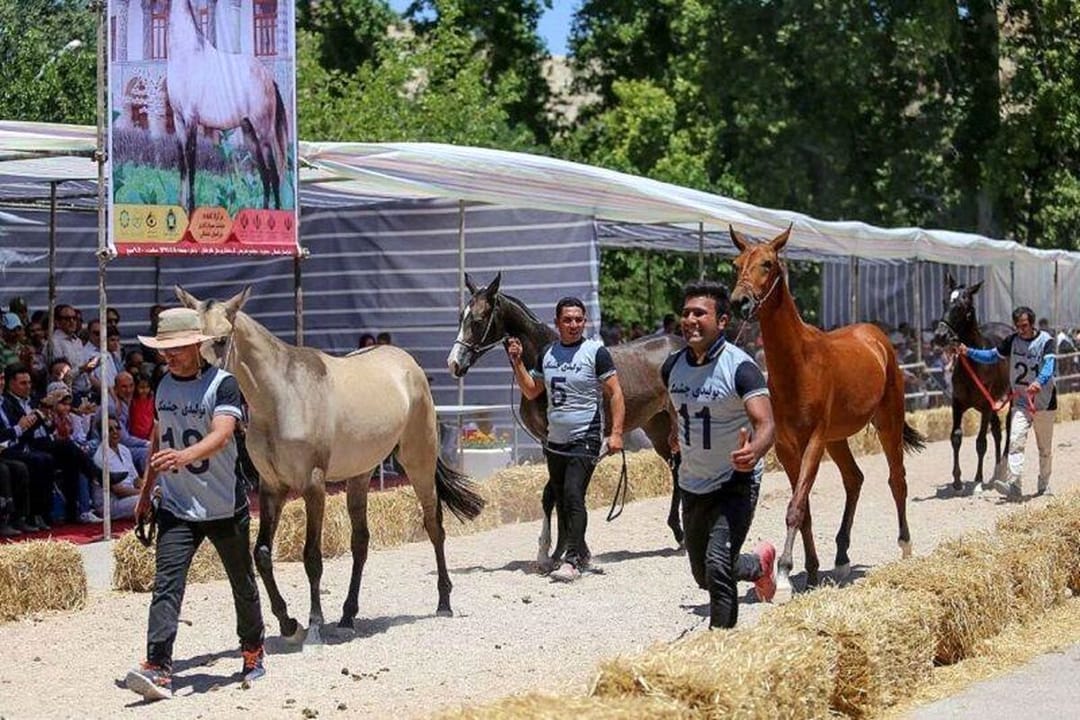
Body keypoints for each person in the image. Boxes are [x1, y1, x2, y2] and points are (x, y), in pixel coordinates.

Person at [124, 307, 265, 701]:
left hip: (223, 506)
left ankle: (253, 651)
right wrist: (145, 494)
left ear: (196, 345)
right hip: (176, 506)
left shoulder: (224, 385)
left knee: (242, 584)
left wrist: (181, 458)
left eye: (176, 348)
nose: (168, 355)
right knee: (166, 586)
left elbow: (222, 435)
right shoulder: (162, 383)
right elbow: (158, 436)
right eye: (163, 349)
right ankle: (158, 666)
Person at [661, 281, 777, 629]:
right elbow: (676, 404)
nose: (690, 320)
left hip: (734, 481)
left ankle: (720, 650)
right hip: (692, 482)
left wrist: (754, 450)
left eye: (700, 313)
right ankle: (758, 566)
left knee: (716, 565)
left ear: (723, 321)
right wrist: (675, 430)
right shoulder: (671, 367)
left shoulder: (740, 368)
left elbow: (767, 423)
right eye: (686, 313)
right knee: (704, 575)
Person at [506, 296, 625, 583]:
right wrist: (517, 362)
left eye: (578, 320)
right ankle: (582, 552)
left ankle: (572, 560)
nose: (574, 324)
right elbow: (532, 390)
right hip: (555, 440)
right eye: (568, 320)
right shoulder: (548, 352)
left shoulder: (596, 352)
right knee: (561, 497)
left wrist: (617, 433)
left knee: (573, 495)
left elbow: (616, 393)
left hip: (585, 436)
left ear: (585, 322)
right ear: (557, 322)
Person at [958, 306, 1056, 500]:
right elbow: (992, 356)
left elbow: (1049, 366)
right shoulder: (1012, 341)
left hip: (1044, 402)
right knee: (1015, 441)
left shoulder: (1047, 341)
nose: (1022, 330)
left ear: (1032, 323)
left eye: (1025, 326)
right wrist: (970, 352)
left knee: (1044, 448)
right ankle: (1014, 485)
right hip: (1020, 401)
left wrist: (1039, 382)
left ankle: (1044, 484)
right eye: (1018, 326)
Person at [93, 415, 141, 520]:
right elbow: (119, 491)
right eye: (110, 429)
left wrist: (150, 488)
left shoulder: (124, 450)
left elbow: (136, 480)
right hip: (111, 504)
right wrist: (145, 493)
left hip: (130, 496)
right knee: (149, 500)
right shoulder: (101, 456)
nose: (115, 432)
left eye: (117, 428)